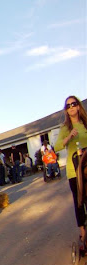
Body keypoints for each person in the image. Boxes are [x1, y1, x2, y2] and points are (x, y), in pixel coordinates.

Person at [53, 96, 87, 248]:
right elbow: (57, 147)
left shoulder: (85, 124)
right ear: (66, 110)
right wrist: (68, 137)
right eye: (68, 106)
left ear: (78, 106)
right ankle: (83, 232)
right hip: (74, 171)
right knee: (79, 201)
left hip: (86, 168)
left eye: (74, 104)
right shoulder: (65, 128)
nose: (71, 107)